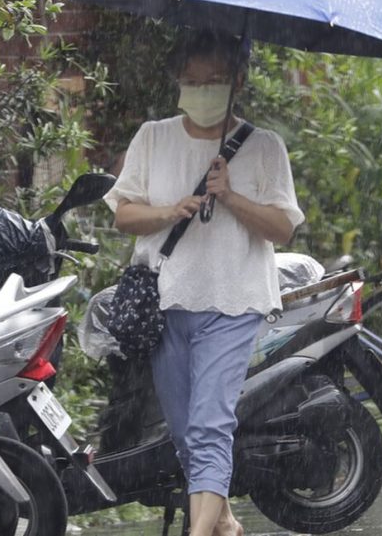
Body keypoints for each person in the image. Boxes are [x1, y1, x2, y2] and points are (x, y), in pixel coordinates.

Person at [103, 30, 304, 536]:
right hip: (166, 303)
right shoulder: (154, 137)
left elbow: (282, 227)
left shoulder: (263, 147)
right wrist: (171, 211)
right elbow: (123, 216)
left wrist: (231, 196)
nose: (200, 90)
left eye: (212, 81)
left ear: (237, 82)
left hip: (234, 302)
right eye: (190, 81)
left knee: (209, 423)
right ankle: (226, 524)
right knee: (184, 431)